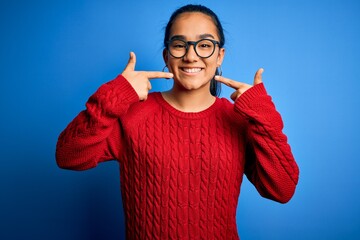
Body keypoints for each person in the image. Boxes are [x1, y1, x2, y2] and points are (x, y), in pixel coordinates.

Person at [56, 4, 299, 239]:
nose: (191, 56)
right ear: (166, 54)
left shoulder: (240, 120)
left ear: (220, 55)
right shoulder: (133, 114)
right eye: (180, 45)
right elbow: (68, 156)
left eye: (204, 45)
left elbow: (282, 189)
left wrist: (262, 114)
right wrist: (116, 94)